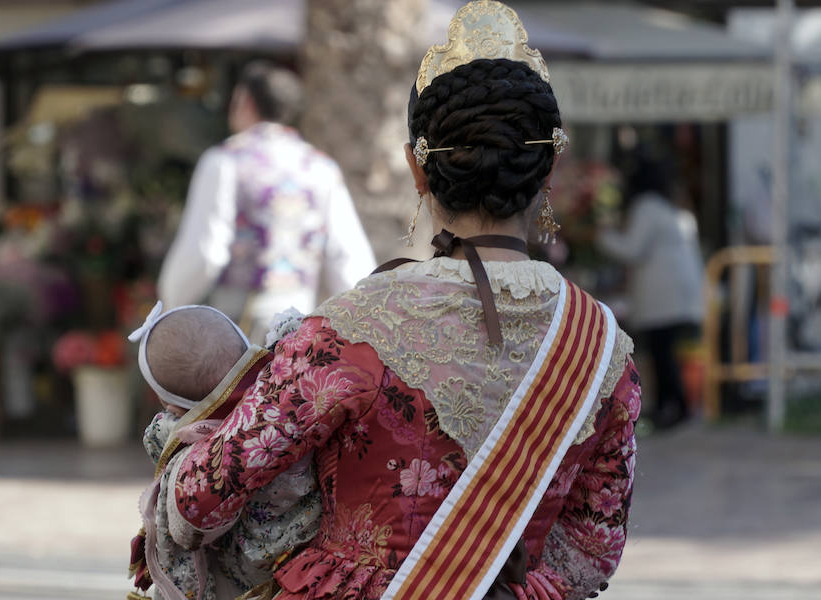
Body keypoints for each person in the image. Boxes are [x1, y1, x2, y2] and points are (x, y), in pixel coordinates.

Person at [144, 3, 641, 599]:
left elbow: (200, 501)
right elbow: (591, 555)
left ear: (417, 168)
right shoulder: (603, 347)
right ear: (550, 165)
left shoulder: (347, 334)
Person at [157, 61, 376, 343]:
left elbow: (206, 251)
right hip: (301, 323)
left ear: (245, 102)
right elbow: (348, 256)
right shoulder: (320, 167)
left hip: (237, 323)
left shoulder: (226, 161)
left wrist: (170, 303)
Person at [128, 303, 321, 600]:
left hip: (247, 567)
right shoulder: (283, 385)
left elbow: (188, 529)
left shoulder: (186, 441)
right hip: (310, 540)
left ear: (171, 406)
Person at [597, 154, 704, 429]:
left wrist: (601, 236)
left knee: (661, 351)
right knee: (665, 350)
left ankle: (674, 407)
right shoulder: (667, 206)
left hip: (663, 295)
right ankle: (674, 405)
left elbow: (632, 249)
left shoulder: (646, 207)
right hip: (676, 292)